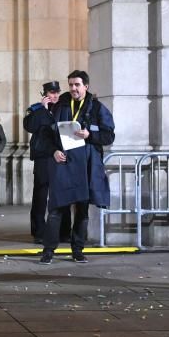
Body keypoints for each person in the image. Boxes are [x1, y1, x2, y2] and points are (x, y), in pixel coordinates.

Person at [39, 70, 115, 265]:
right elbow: (45, 135)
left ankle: (78, 250)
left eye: (77, 85)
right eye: (71, 84)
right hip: (62, 164)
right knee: (55, 209)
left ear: (86, 87)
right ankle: (48, 251)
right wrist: (54, 151)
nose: (73, 88)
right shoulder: (59, 106)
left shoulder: (97, 108)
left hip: (85, 166)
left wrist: (90, 135)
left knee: (81, 210)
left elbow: (109, 135)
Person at [24, 81, 71, 244]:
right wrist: (43, 109)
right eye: (51, 93)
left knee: (63, 194)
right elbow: (30, 126)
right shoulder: (36, 109)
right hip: (43, 157)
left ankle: (65, 232)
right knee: (41, 195)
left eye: (57, 92)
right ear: (44, 94)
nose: (55, 96)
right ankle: (39, 232)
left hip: (61, 156)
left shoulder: (65, 107)